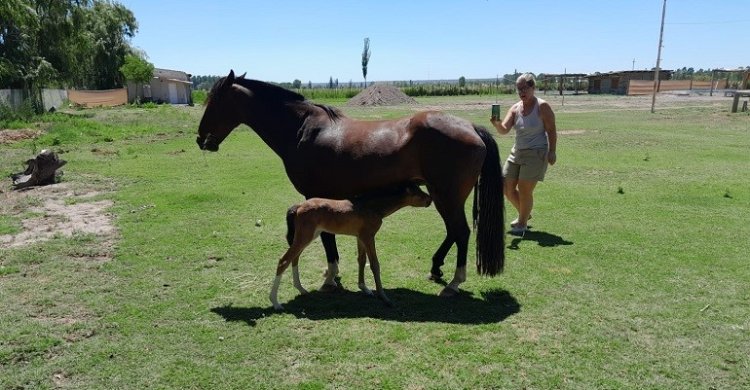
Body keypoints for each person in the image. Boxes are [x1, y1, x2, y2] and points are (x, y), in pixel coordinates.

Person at [490, 73, 557, 235]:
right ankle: (525, 213)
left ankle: (522, 224)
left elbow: (551, 130)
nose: (521, 92)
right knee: (507, 187)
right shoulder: (515, 108)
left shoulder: (542, 106)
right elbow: (504, 130)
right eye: (519, 89)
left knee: (525, 189)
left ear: (533, 88)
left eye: (525, 88)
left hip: (536, 153)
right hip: (517, 153)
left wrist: (552, 151)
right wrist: (496, 123)